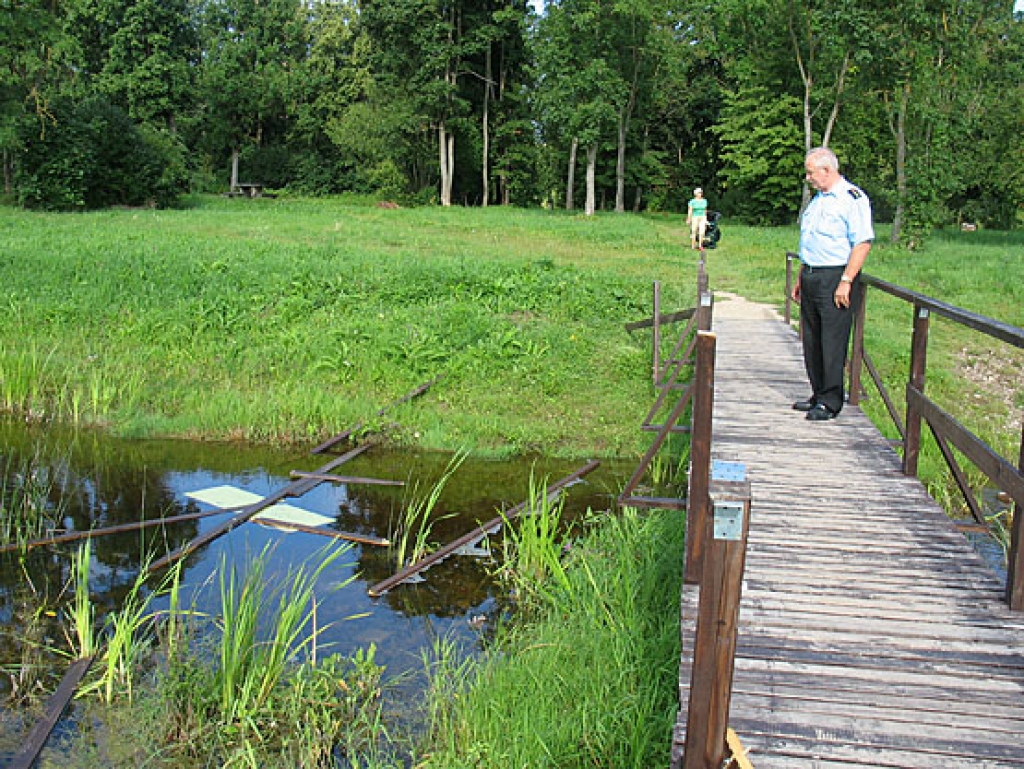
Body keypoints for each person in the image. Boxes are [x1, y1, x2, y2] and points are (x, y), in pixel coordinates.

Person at [791, 147, 874, 421]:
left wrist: (846, 280)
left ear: (827, 170)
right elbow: (810, 241)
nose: (808, 178)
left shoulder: (852, 198)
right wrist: (801, 276)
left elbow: (862, 243)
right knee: (812, 338)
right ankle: (817, 393)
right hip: (813, 273)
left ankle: (830, 400)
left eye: (811, 172)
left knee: (832, 339)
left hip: (835, 276)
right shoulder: (818, 200)